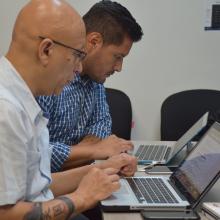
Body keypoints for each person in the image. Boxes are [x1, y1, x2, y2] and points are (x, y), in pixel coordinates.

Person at [0, 0, 137, 219]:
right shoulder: (6, 111)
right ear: (46, 50)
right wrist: (81, 198)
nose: (79, 67)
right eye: (77, 56)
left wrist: (103, 169)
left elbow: (40, 184)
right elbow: (6, 215)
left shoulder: (22, 99)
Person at [37, 0, 144, 172]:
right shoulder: (49, 78)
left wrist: (83, 152)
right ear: (94, 41)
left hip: (76, 176)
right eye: (117, 57)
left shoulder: (96, 80)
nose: (119, 67)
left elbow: (102, 123)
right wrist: (92, 151)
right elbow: (36, 156)